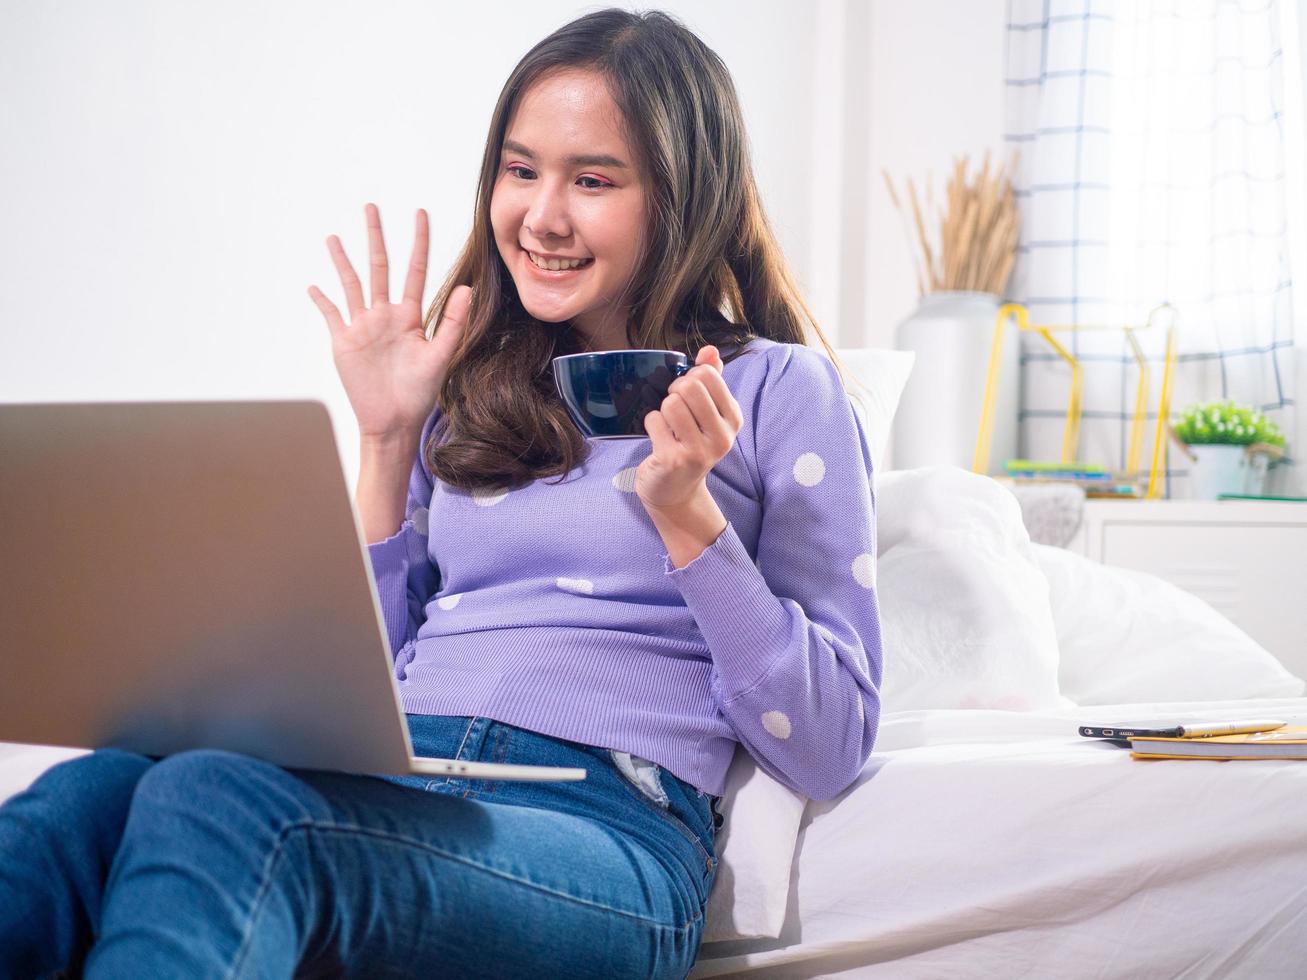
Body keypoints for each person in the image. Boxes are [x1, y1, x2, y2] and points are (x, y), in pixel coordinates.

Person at [0, 8, 883, 978]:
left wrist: (687, 518)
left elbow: (830, 738)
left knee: (223, 802)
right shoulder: (468, 389)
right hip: (401, 779)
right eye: (519, 169)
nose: (540, 214)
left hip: (604, 829)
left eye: (591, 180)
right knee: (87, 797)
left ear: (681, 197)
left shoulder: (775, 391)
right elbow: (357, 688)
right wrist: (384, 440)